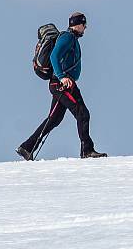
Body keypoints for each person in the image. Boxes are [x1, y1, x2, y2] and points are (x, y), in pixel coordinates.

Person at [17, 12, 107, 160]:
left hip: (64, 84)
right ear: (77, 24)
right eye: (84, 25)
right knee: (82, 114)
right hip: (62, 84)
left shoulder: (71, 39)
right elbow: (54, 56)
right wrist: (62, 77)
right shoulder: (67, 37)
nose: (85, 28)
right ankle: (87, 150)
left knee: (54, 119)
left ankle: (27, 147)